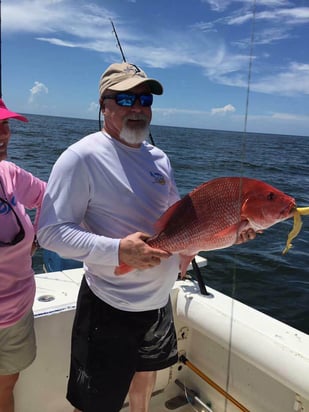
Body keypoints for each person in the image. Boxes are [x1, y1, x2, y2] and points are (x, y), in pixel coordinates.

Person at [37, 62, 256, 412]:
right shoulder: (80, 157)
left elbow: (180, 227)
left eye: (144, 99)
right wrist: (118, 251)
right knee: (95, 402)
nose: (138, 107)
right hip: (109, 306)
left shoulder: (160, 159)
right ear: (104, 106)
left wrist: (225, 236)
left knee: (146, 377)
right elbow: (50, 231)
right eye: (125, 99)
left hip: (158, 303)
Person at [0, 98, 46, 412]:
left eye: (4, 125)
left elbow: (48, 197)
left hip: (16, 313)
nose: (3, 134)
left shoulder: (10, 173)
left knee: (6, 386)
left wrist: (38, 237)